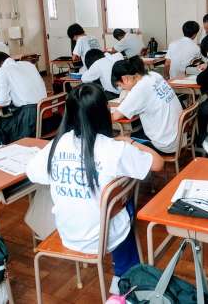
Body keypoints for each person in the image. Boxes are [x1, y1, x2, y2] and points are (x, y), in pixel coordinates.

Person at [26, 83, 163, 292]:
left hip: (68, 235)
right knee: (126, 203)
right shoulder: (114, 149)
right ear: (103, 113)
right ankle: (125, 278)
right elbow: (158, 163)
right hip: (106, 238)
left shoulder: (58, 144)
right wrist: (130, 142)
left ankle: (124, 276)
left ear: (69, 115)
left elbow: (33, 173)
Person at [111, 56, 182, 153]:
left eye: (120, 85)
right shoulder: (153, 75)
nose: (123, 89)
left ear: (125, 79)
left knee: (123, 138)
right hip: (181, 136)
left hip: (166, 143)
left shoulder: (139, 90)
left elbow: (115, 116)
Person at [0, 52, 47, 143]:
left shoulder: (1, 71)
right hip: (46, 118)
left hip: (29, 123)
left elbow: (2, 101)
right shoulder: (28, 64)